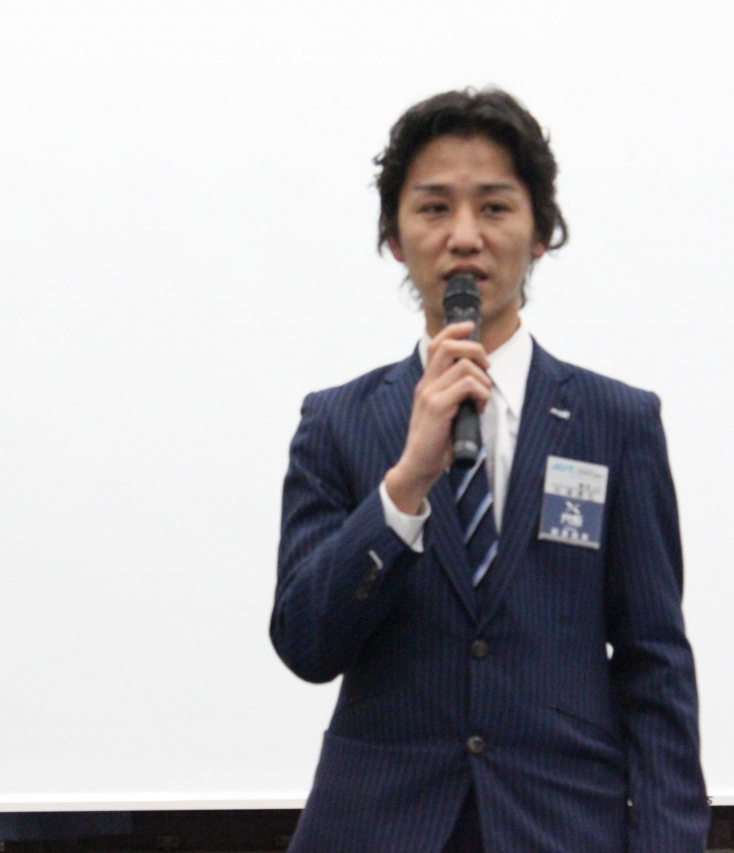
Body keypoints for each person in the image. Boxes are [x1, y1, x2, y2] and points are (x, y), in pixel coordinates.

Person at [270, 88, 708, 853]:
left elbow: (655, 665)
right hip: (377, 827)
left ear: (540, 233)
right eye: (434, 208)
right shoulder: (336, 422)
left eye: (496, 207)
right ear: (394, 236)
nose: (465, 236)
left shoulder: (618, 422)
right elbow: (307, 644)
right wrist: (405, 485)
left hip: (560, 825)